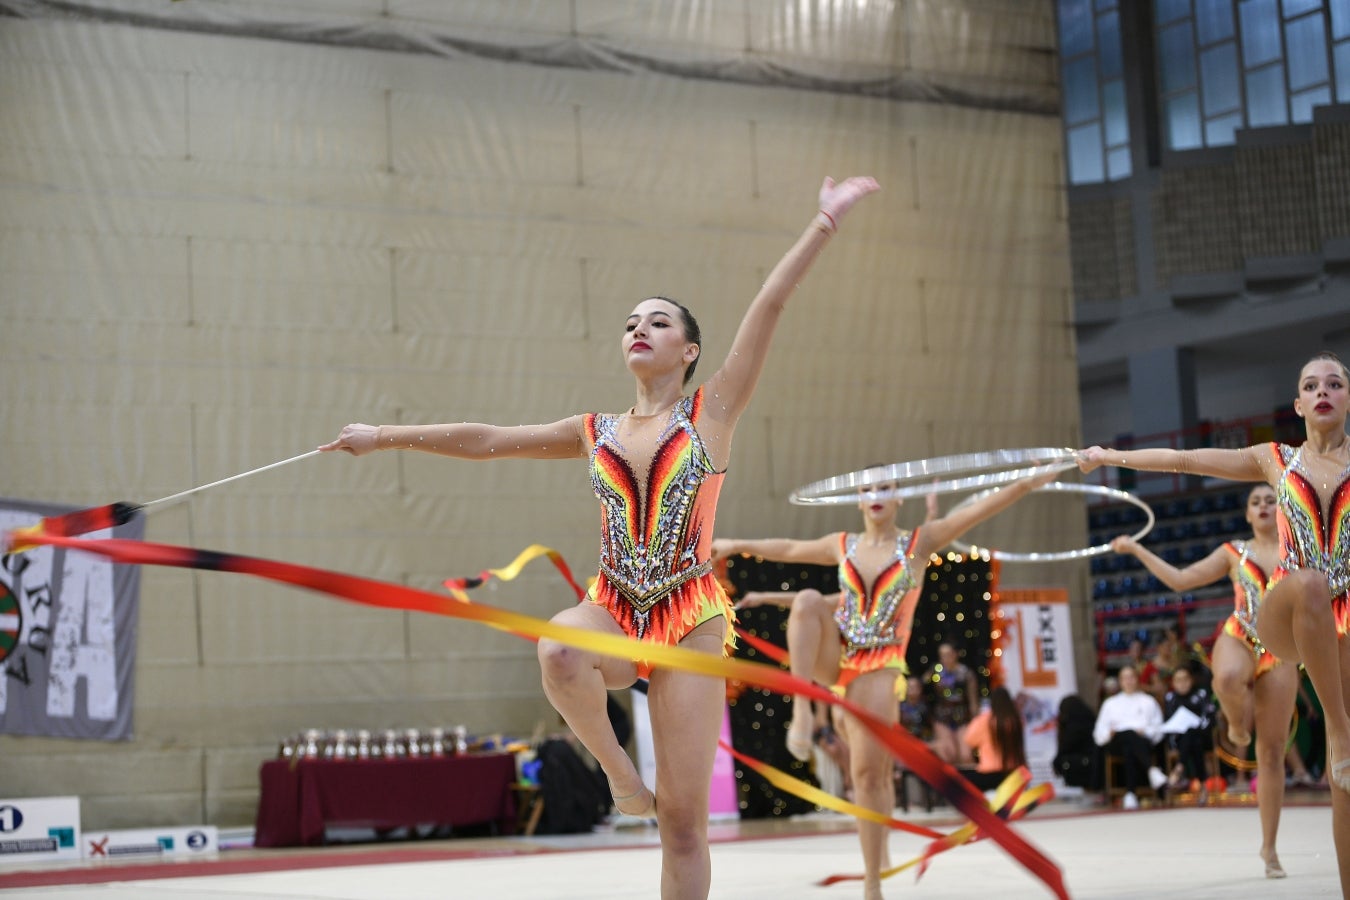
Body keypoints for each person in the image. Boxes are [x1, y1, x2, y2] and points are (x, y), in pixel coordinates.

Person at [321, 175, 880, 900]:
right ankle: (620, 774)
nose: (639, 328)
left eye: (658, 322)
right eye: (629, 323)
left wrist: (824, 224)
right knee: (556, 648)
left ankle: (656, 810)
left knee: (683, 826)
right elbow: (490, 438)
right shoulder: (595, 433)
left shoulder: (715, 410)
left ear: (689, 351)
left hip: (689, 619)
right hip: (612, 606)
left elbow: (769, 304)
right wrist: (384, 436)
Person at [711, 468, 1055, 900]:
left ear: (899, 499)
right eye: (867, 489)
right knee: (805, 600)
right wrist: (735, 544)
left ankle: (873, 877)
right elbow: (789, 548)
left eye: (886, 488)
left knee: (869, 775)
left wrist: (1031, 480)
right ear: (857, 500)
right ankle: (801, 710)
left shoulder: (919, 543)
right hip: (840, 657)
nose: (876, 495)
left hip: (882, 664)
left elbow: (980, 510)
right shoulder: (844, 546)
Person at [1079, 351, 1350, 891]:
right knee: (1310, 586)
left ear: (1347, 399)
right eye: (1311, 384)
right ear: (1297, 405)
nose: (1324, 390)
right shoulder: (1275, 460)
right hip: (1277, 614)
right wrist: (1110, 455)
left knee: (1340, 782)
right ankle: (1334, 733)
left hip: (1337, 621)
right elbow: (1185, 461)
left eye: (1336, 383)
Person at [1111, 483, 1299, 876]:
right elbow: (1181, 580)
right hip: (1240, 635)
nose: (1263, 505)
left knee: (1271, 754)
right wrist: (1137, 549)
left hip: (1281, 649)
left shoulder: (1297, 552)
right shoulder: (1234, 551)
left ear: (1283, 509)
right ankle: (1234, 722)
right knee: (1227, 676)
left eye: (1271, 500)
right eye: (1255, 501)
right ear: (1247, 514)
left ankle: (1269, 849)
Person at [1091, 664, 1168, 809]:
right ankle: (1152, 771)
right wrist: (1109, 733)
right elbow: (1099, 732)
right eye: (1124, 678)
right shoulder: (1110, 703)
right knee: (1127, 735)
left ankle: (1130, 793)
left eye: (1131, 677)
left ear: (1137, 679)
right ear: (1120, 681)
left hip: (1142, 742)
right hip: (1116, 743)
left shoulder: (1148, 701)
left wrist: (1145, 731)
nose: (1128, 681)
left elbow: (1158, 728)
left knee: (1130, 745)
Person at [1160, 665, 1216, 797]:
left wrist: (1197, 726)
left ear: (1191, 680)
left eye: (1185, 679)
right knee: (1191, 738)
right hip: (1179, 740)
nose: (1182, 683)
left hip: (1203, 737)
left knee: (1192, 734)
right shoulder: (1170, 698)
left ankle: (1179, 769)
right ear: (1173, 682)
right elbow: (1168, 722)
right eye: (1178, 680)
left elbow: (1210, 719)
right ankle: (1202, 784)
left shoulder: (1201, 694)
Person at [962, 686, 1028, 792]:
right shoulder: (1017, 720)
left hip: (990, 774)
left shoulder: (984, 720)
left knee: (963, 780)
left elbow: (969, 740)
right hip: (1015, 773)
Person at [926, 641, 981, 766]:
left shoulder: (966, 673)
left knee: (965, 755)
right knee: (949, 754)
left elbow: (973, 699)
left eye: (948, 654)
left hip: (962, 718)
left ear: (955, 654)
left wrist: (975, 720)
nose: (945, 658)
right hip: (942, 718)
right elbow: (924, 690)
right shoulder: (936, 673)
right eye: (942, 655)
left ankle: (968, 783)